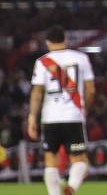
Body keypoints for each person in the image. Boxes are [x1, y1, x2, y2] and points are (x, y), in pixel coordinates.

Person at [27, 26, 96, 195]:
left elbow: (37, 92)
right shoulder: (81, 58)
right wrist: (84, 108)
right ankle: (71, 187)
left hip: (50, 117)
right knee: (79, 160)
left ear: (47, 42)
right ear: (66, 40)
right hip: (73, 116)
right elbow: (91, 90)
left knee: (51, 160)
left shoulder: (42, 61)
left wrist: (31, 118)